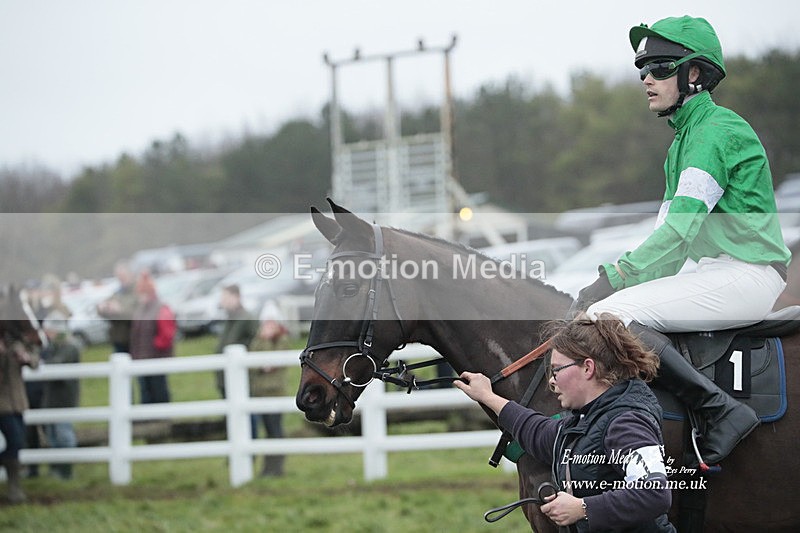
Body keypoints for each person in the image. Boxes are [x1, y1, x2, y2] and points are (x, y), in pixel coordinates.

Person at [571, 15, 790, 465]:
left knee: (611, 313)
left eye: (660, 67)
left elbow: (678, 232)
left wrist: (613, 278)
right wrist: (623, 278)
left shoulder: (714, 134)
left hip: (747, 274)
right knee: (608, 309)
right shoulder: (684, 141)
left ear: (694, 74)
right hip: (716, 271)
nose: (647, 78)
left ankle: (720, 410)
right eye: (642, 70)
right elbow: (669, 248)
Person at [455, 315, 674, 532]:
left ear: (588, 368)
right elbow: (540, 433)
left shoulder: (626, 422)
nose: (551, 380)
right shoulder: (587, 418)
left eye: (557, 370)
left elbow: (654, 493)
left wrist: (583, 508)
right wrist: (487, 396)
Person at [248, 299, 290, 477]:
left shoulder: (282, 339)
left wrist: (265, 346)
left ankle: (277, 468)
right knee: (268, 431)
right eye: (266, 322)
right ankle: (268, 468)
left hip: (275, 392)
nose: (268, 325)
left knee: (275, 430)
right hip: (260, 393)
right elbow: (252, 362)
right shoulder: (259, 339)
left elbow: (271, 363)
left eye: (271, 322)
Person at [40, 311, 80, 480]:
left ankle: (66, 470)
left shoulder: (69, 346)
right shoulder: (54, 345)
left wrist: (41, 364)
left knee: (63, 434)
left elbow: (58, 364)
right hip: (53, 397)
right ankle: (57, 467)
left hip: (64, 397)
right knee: (52, 435)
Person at [0, 336, 39, 503]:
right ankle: (14, 489)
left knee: (18, 442)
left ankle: (14, 489)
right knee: (15, 440)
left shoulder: (16, 340)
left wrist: (26, 357)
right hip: (2, 403)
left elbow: (35, 360)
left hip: (17, 402)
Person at [129, 271, 175, 404]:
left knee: (158, 389)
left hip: (155, 357)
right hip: (141, 357)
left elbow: (166, 334)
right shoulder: (141, 308)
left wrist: (156, 346)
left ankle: (161, 419)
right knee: (145, 390)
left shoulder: (160, 308)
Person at [214, 284, 259, 398]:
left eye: (226, 298)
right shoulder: (230, 318)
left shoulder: (247, 318)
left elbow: (256, 344)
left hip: (242, 376)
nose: (223, 302)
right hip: (226, 374)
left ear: (237, 297)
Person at [97, 260, 138, 354]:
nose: (121, 279)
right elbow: (102, 309)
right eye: (119, 277)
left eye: (123, 276)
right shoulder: (117, 293)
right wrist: (103, 308)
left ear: (131, 275)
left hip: (133, 340)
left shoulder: (137, 292)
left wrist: (120, 311)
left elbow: (139, 315)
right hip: (118, 340)